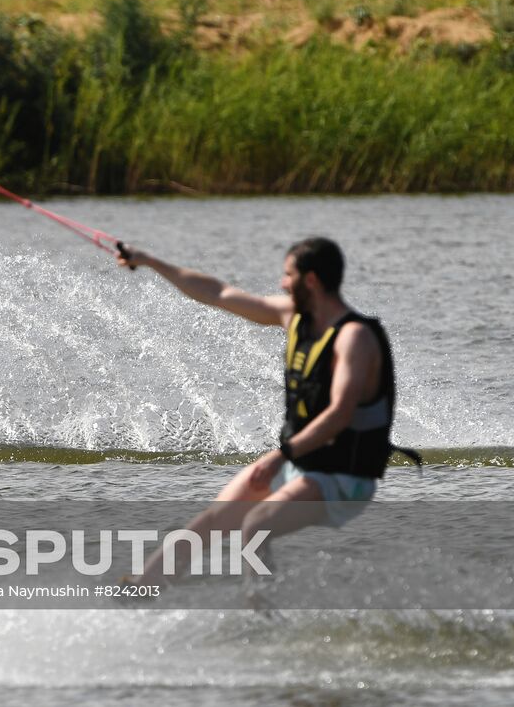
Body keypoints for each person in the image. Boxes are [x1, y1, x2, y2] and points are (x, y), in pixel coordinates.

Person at [116, 237, 418, 587]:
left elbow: (340, 412)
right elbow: (217, 292)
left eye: (287, 275)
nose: (281, 283)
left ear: (311, 281)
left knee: (255, 526)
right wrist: (151, 261)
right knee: (212, 521)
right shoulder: (292, 316)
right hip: (301, 462)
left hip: (344, 476)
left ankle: (262, 622)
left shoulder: (355, 338)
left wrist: (279, 456)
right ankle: (139, 592)